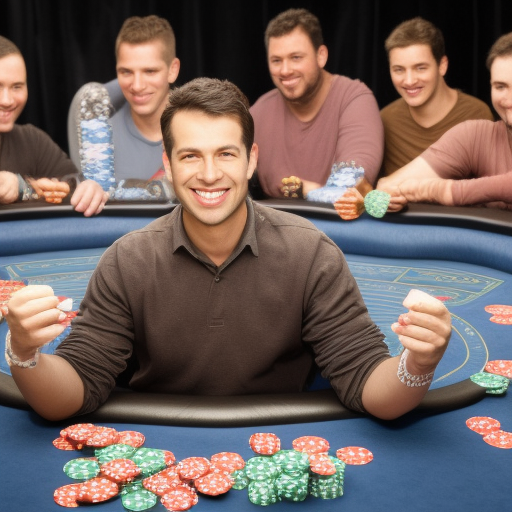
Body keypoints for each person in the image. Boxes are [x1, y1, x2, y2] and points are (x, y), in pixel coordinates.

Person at [4, 78, 451, 422]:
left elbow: (371, 387)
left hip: (283, 440)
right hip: (158, 447)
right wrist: (23, 351)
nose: (210, 174)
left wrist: (419, 361)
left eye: (226, 154)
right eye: (191, 156)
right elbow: (72, 392)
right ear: (168, 163)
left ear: (252, 158)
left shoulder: (311, 253)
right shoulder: (127, 261)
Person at [249, 8, 384, 200]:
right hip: (276, 227)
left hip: (340, 228)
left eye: (296, 57)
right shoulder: (258, 113)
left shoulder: (355, 98)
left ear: (321, 56)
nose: (285, 70)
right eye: (276, 60)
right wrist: (306, 189)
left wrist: (303, 190)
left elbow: (350, 187)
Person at [376, 31, 512, 212]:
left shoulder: (475, 111)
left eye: (420, 67)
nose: (508, 100)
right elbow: (387, 188)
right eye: (500, 86)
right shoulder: (476, 135)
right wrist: (389, 196)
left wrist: (441, 191)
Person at [0, 36, 108, 216]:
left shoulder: (31, 141)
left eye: (17, 86)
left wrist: (91, 189)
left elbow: (73, 184)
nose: (7, 100)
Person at [380, 17, 494, 177]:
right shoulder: (386, 120)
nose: (409, 80)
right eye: (399, 70)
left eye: (420, 68)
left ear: (442, 65)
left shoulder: (477, 115)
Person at [109, 15, 180, 181]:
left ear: (173, 70)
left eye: (150, 71)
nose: (137, 86)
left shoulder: (202, 129)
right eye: (126, 72)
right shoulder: (102, 140)